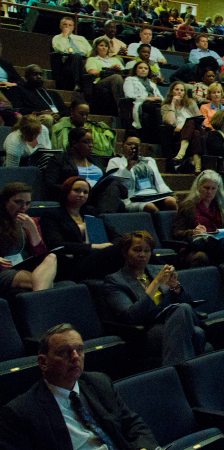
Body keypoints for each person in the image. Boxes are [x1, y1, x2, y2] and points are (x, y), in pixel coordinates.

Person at [0, 324, 160, 450]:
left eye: (80, 350)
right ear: (43, 362)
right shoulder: (20, 413)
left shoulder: (98, 383)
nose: (75, 357)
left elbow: (131, 424)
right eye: (64, 352)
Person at [100, 232, 207, 366]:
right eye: (137, 250)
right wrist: (156, 283)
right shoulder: (115, 281)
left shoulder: (157, 270)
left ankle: (175, 374)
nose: (143, 255)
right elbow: (132, 316)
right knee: (196, 333)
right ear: (125, 252)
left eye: (147, 250)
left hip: (172, 321)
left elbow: (186, 301)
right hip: (145, 331)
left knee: (184, 309)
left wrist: (175, 288)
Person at [39, 176, 124, 280]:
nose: (81, 195)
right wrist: (95, 246)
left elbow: (116, 235)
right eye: (76, 190)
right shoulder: (52, 215)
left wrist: (110, 245)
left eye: (85, 192)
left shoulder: (91, 212)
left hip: (97, 257)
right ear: (66, 191)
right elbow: (57, 245)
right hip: (71, 262)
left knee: (131, 245)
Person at [0, 183, 56, 300]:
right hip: (5, 270)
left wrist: (32, 229)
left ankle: (38, 308)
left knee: (51, 257)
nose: (23, 207)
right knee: (46, 283)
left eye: (27, 203)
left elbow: (40, 254)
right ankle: (40, 309)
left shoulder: (32, 222)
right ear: (5, 201)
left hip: (27, 266)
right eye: (18, 202)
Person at [105, 135, 177, 213]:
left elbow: (159, 182)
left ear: (140, 148)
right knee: (150, 207)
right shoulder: (115, 161)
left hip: (152, 195)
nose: (132, 147)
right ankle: (161, 225)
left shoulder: (149, 161)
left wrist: (170, 193)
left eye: (136, 145)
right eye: (129, 144)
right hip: (132, 198)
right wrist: (128, 166)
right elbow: (114, 184)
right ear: (122, 146)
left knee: (171, 202)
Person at [161, 81, 204, 172]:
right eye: (177, 89)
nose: (180, 92)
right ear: (172, 92)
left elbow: (199, 119)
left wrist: (184, 126)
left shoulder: (191, 103)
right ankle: (198, 166)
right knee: (195, 133)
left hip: (194, 127)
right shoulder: (166, 107)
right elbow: (170, 121)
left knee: (191, 121)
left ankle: (181, 153)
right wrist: (173, 103)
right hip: (178, 133)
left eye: (182, 90)